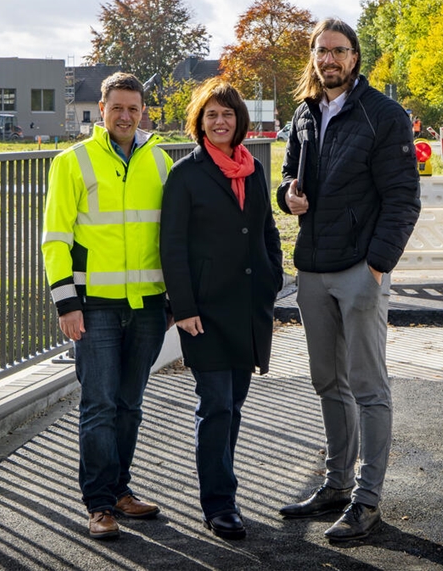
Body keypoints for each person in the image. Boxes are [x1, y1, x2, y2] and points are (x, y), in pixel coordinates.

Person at [276, 18, 421, 541]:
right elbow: (288, 178)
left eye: (338, 51)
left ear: (355, 57)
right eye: (322, 51)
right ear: (313, 57)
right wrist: (287, 196)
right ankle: (336, 484)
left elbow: (404, 199)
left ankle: (367, 499)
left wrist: (377, 266)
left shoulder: (383, 115)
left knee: (368, 386)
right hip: (313, 269)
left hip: (361, 268)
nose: (329, 60)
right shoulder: (305, 113)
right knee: (327, 382)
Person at [41, 72, 173, 540]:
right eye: (116, 107)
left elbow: (171, 236)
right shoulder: (72, 161)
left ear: (143, 111)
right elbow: (55, 239)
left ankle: (120, 491)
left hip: (147, 307)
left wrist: (171, 301)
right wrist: (66, 304)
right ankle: (98, 504)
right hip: (93, 307)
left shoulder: (160, 161)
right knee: (99, 405)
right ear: (101, 109)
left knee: (129, 405)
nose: (124, 116)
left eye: (133, 108)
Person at [160, 78, 283, 541]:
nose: (220, 121)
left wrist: (273, 275)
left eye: (227, 114)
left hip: (248, 308)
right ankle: (219, 503)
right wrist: (183, 306)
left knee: (233, 404)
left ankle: (222, 493)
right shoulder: (185, 174)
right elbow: (172, 246)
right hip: (205, 312)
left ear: (239, 120)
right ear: (200, 121)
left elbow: (266, 228)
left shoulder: (253, 168)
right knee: (214, 405)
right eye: (211, 114)